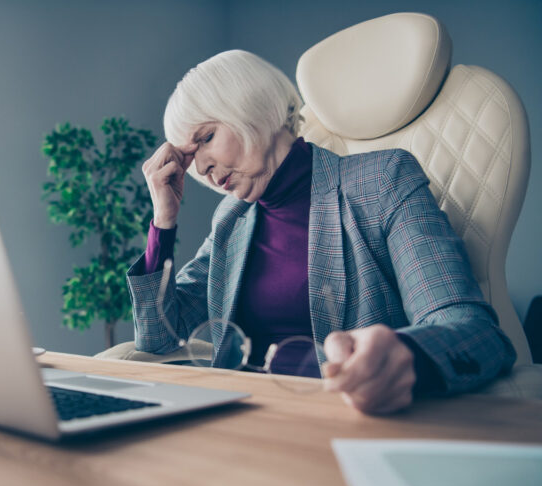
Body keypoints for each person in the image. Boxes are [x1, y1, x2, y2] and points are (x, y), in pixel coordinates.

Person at [127, 50, 516, 414]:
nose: (201, 168)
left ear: (253, 108)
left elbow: (475, 331)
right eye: (191, 155)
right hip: (238, 416)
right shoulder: (232, 217)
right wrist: (163, 220)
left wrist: (406, 356)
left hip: (338, 416)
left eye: (206, 138)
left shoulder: (384, 180)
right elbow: (160, 335)